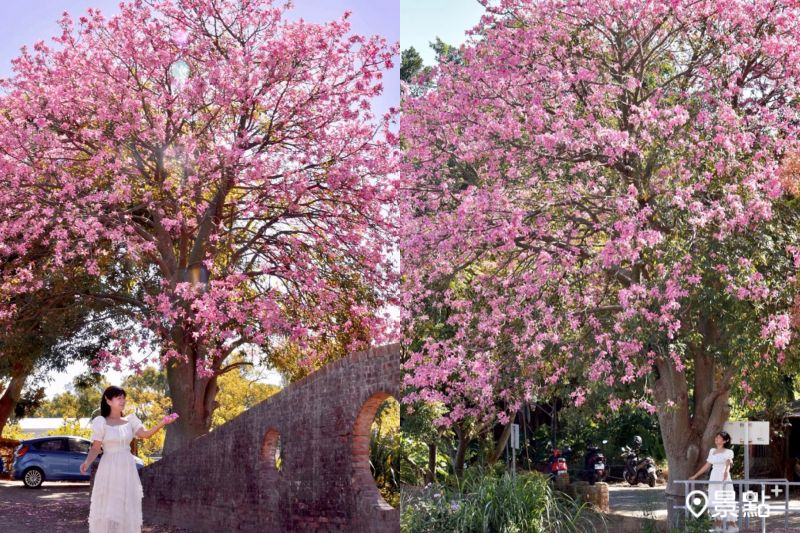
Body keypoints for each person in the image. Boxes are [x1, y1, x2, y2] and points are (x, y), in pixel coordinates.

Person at [79, 385, 179, 533]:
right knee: (109, 506)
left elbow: (145, 434)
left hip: (127, 468)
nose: (123, 401)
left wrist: (162, 423)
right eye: (119, 398)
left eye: (124, 398)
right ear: (108, 400)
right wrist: (87, 462)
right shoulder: (101, 422)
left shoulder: (131, 420)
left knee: (127, 505)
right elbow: (95, 447)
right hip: (109, 468)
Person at [688, 431, 738, 533]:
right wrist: (695, 475)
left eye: (719, 438)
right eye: (716, 437)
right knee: (714, 501)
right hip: (714, 477)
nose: (716, 439)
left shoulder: (729, 452)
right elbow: (707, 465)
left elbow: (729, 463)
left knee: (726, 500)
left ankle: (733, 526)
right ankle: (718, 526)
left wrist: (726, 472)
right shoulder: (712, 451)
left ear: (725, 440)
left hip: (724, 477)